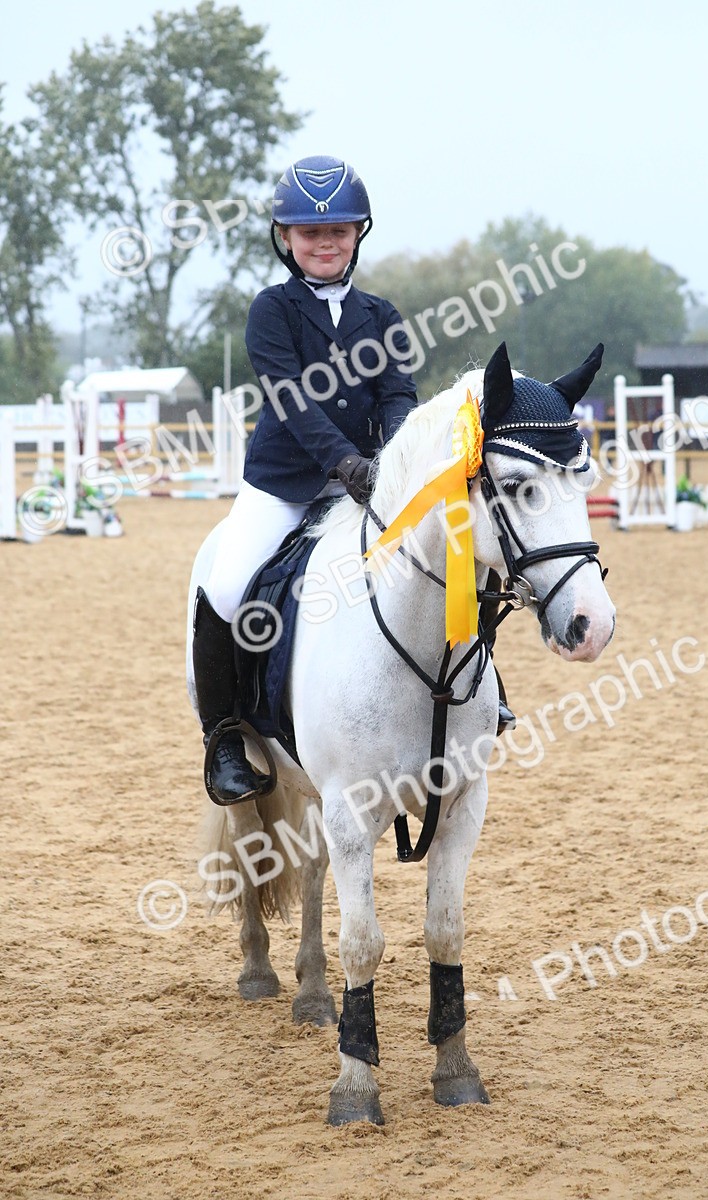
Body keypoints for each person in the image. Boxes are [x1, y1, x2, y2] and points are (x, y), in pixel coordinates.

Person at [192, 156, 419, 803]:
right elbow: (291, 399)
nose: (325, 243)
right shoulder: (272, 310)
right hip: (285, 484)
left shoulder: (382, 315)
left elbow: (398, 393)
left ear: (357, 235)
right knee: (227, 588)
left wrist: (393, 458)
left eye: (338, 231)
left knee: (441, 558)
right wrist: (345, 463)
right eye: (311, 233)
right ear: (286, 238)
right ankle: (225, 740)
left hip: (370, 480)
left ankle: (478, 695)